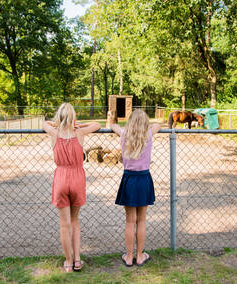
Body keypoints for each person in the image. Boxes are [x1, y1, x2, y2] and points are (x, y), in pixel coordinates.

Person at [43, 103, 101, 272]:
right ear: (73, 117)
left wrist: (57, 124)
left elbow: (44, 124)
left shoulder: (54, 133)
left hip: (61, 177)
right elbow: (97, 125)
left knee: (64, 224)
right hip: (77, 178)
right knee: (75, 221)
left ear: (59, 117)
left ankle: (68, 262)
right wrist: (79, 124)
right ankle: (77, 259)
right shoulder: (79, 133)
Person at [110, 109, 161, 267]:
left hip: (129, 179)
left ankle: (129, 256)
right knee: (142, 220)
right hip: (144, 179)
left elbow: (113, 125)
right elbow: (158, 125)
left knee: (130, 221)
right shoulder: (149, 135)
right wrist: (147, 126)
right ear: (145, 124)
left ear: (130, 122)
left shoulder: (125, 134)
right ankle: (140, 256)